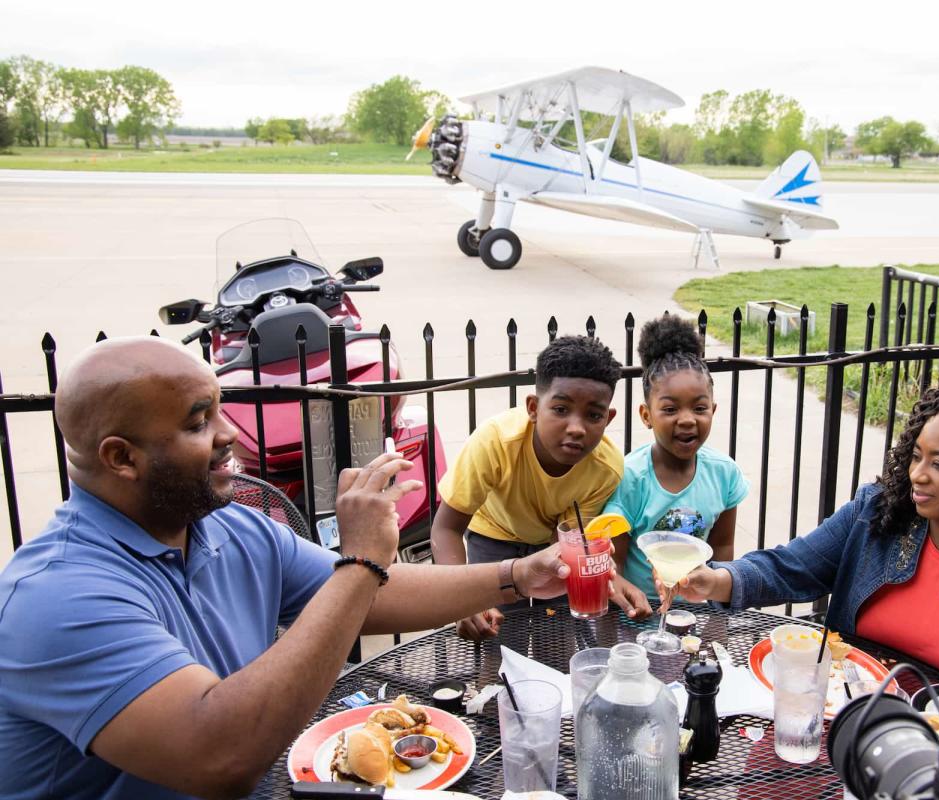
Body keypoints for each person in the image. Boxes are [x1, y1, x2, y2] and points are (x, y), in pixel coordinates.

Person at [0, 337, 574, 800]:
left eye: (219, 409)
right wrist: (364, 558)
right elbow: (221, 758)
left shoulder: (225, 527)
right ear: (121, 457)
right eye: (199, 423)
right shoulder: (56, 597)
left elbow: (368, 594)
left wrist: (518, 576)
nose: (228, 435)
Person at [675, 375, 939, 764]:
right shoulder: (878, 515)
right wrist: (717, 579)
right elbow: (794, 566)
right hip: (837, 736)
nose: (917, 474)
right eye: (917, 456)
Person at [431, 334, 652, 640]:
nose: (576, 427)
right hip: (493, 537)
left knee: (558, 639)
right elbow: (446, 528)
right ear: (533, 408)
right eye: (561, 410)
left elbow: (567, 540)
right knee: (500, 645)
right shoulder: (495, 442)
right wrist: (460, 598)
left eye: (593, 415)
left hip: (553, 547)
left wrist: (605, 579)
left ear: (608, 418)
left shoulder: (606, 468)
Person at [603, 314, 748, 599]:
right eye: (670, 410)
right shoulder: (630, 478)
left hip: (695, 615)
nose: (686, 420)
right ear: (646, 415)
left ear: (713, 411)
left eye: (699, 408)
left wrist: (717, 619)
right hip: (636, 619)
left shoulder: (725, 474)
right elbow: (615, 564)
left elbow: (722, 551)